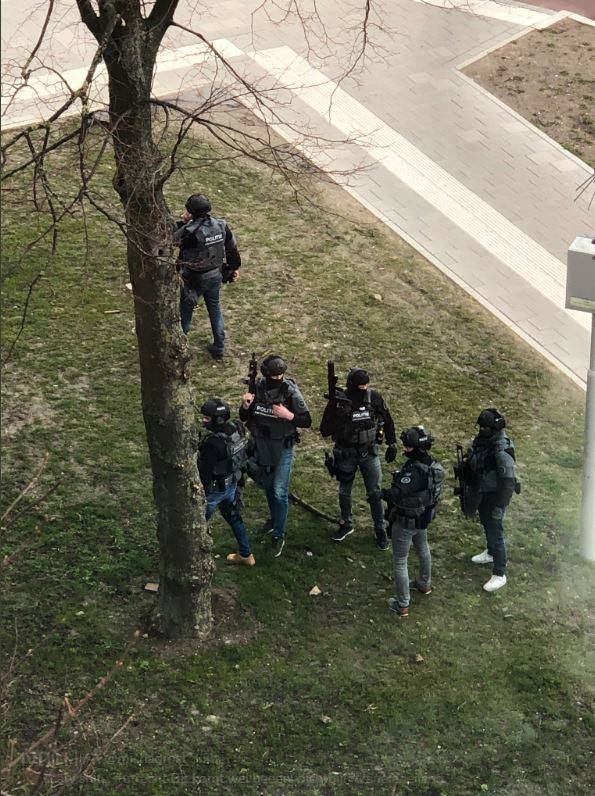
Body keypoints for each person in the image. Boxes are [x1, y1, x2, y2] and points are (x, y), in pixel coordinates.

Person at [240, 355, 311, 557]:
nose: (278, 378)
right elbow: (244, 417)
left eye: (281, 375)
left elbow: (306, 420)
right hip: (262, 445)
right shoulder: (258, 388)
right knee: (269, 486)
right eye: (274, 375)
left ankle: (279, 534)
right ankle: (274, 519)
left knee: (280, 492)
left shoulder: (289, 391)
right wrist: (245, 406)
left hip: (283, 447)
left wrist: (289, 416)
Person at [320, 367, 396, 550]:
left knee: (375, 493)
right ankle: (347, 523)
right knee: (344, 491)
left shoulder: (374, 398)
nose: (363, 390)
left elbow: (388, 419)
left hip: (369, 453)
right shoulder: (339, 403)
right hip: (346, 454)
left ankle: (380, 529)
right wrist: (337, 414)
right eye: (359, 386)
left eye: (365, 386)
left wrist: (392, 443)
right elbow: (324, 429)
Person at [382, 426, 444, 618]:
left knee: (400, 561)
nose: (405, 449)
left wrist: (380, 494)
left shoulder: (415, 472)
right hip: (423, 517)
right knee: (423, 549)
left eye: (408, 447)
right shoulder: (433, 465)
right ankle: (424, 584)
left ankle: (402, 605)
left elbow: (397, 493)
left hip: (406, 521)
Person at [174, 193, 241, 359]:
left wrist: (182, 222)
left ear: (191, 212)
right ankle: (219, 346)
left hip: (192, 278)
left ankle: (180, 346)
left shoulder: (189, 231)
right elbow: (232, 248)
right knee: (215, 309)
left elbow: (173, 241)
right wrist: (234, 268)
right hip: (215, 275)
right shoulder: (221, 225)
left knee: (186, 311)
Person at [465, 408, 518, 593]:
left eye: (484, 427)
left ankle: (500, 572)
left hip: (496, 497)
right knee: (486, 524)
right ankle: (490, 552)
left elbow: (509, 482)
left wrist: (500, 506)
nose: (480, 430)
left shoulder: (501, 450)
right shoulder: (484, 442)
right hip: (484, 493)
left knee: (496, 531)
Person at [198, 397, 254, 566]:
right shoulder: (236, 428)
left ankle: (193, 559)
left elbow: (205, 473)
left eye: (207, 418)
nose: (203, 420)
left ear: (218, 419)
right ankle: (246, 554)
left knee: (198, 523)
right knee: (234, 517)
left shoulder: (212, 444)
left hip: (214, 490)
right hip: (233, 483)